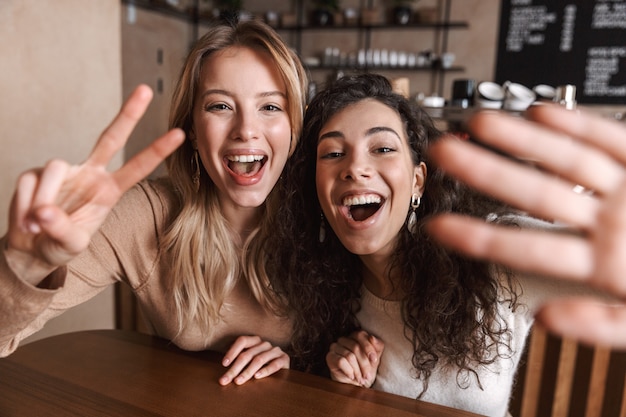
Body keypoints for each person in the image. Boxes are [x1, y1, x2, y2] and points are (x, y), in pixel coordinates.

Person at [266, 73, 609, 416]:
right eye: (334, 153)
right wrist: (344, 389)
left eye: (383, 148)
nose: (355, 167)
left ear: (417, 181)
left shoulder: (488, 252)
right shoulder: (320, 284)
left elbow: (610, 267)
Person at [0, 19, 308, 387]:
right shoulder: (147, 213)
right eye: (220, 106)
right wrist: (23, 267)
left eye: (270, 107)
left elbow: (369, 353)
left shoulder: (326, 215)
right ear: (193, 130)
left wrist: (304, 366)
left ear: (294, 126)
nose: (246, 129)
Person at [427, 104, 626, 349]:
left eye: (383, 149)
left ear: (418, 176)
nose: (363, 169)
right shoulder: (364, 285)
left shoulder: (496, 256)